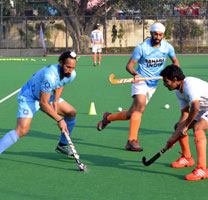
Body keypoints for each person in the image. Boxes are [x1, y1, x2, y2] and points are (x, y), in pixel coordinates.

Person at [97, 22, 179, 151]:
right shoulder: (141, 48)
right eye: (156, 34)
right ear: (151, 33)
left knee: (132, 114)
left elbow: (175, 62)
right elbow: (129, 65)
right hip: (140, 80)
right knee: (140, 106)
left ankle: (108, 117)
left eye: (160, 34)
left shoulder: (167, 47)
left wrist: (176, 75)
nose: (158, 36)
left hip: (153, 83)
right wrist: (135, 74)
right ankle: (131, 141)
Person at [0, 51, 78, 157]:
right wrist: (59, 119)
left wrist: (55, 101)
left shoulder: (71, 74)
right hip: (29, 96)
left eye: (73, 67)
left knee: (71, 113)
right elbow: (43, 103)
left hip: (44, 94)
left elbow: (61, 84)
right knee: (22, 130)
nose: (70, 71)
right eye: (68, 67)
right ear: (60, 63)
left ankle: (62, 145)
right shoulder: (49, 76)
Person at [160, 65, 208, 181]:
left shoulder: (189, 85)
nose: (164, 85)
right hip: (203, 109)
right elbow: (185, 114)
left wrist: (186, 126)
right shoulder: (178, 91)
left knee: (198, 127)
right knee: (178, 126)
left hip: (201, 109)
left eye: (166, 82)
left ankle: (202, 169)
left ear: (175, 79)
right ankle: (187, 157)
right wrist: (173, 138)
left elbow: (195, 108)